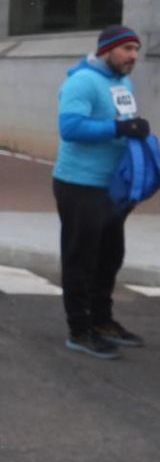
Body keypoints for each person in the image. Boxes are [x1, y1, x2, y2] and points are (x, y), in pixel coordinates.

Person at [54, 24, 148, 360]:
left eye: (136, 50)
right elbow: (70, 128)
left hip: (111, 187)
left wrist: (133, 129)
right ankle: (79, 330)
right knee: (81, 258)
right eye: (126, 50)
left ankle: (103, 320)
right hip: (79, 184)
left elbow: (124, 120)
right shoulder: (82, 81)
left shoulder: (122, 82)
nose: (133, 56)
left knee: (109, 256)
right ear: (107, 50)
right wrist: (120, 127)